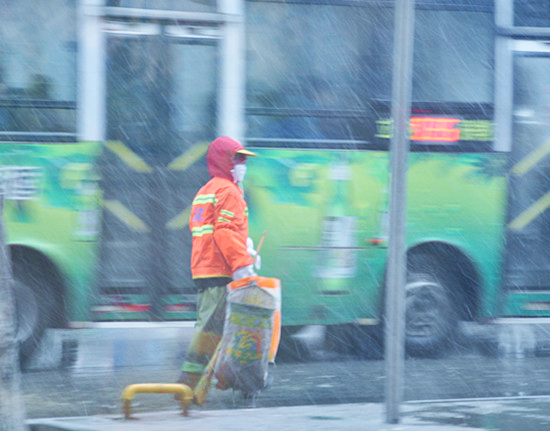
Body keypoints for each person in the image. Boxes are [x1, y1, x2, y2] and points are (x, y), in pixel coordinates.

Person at [177, 136, 260, 390]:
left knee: (224, 329)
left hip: (204, 268)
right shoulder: (228, 191)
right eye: (238, 158)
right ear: (224, 161)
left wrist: (245, 247)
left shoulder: (206, 191)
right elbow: (224, 232)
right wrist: (242, 267)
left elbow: (208, 230)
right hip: (221, 271)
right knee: (213, 331)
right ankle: (188, 386)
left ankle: (229, 380)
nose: (243, 164)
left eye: (244, 159)